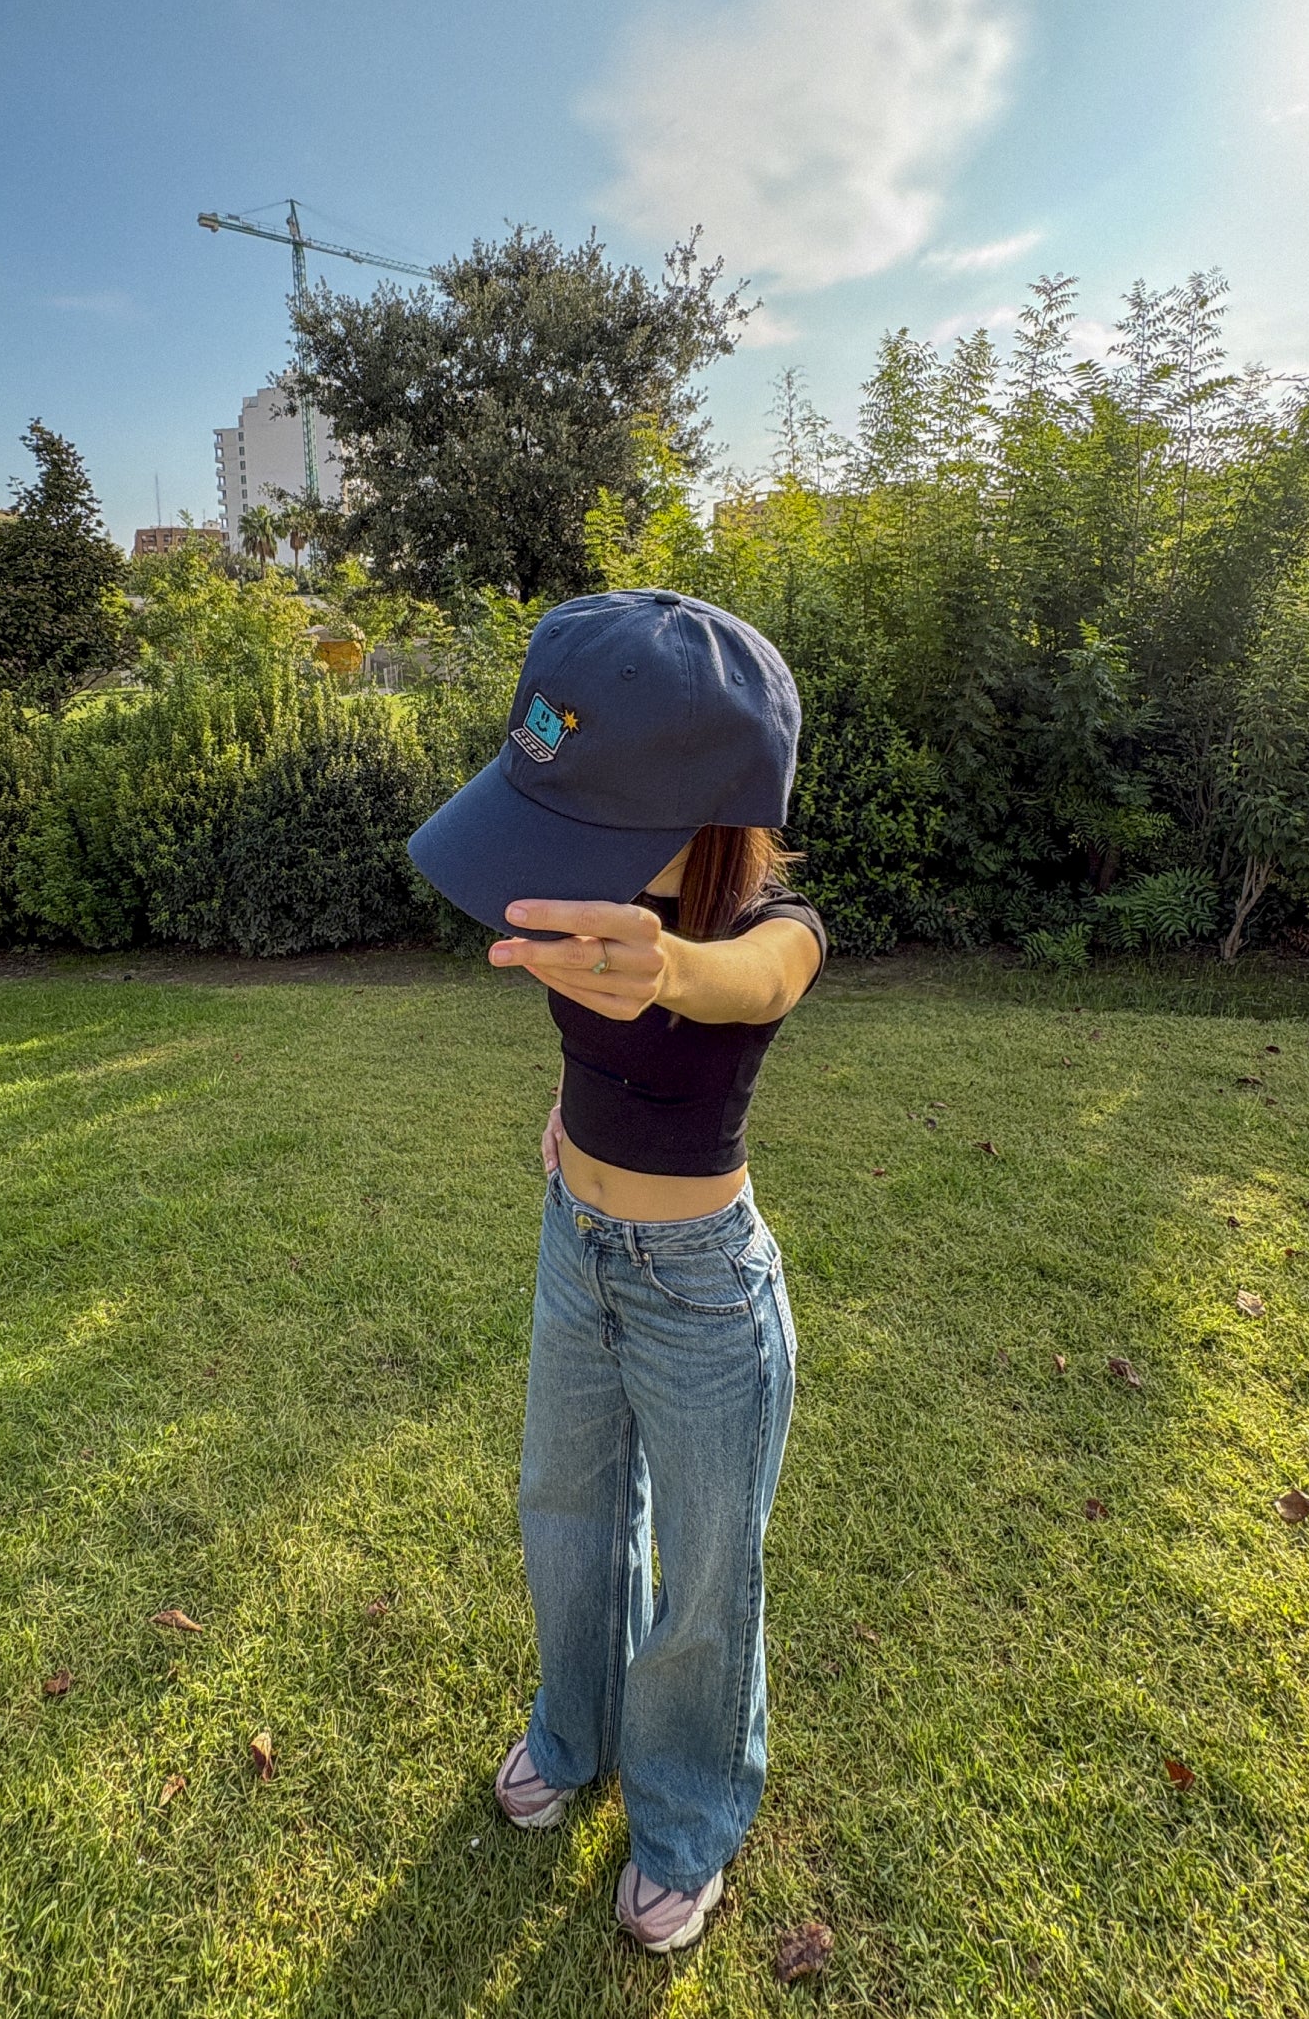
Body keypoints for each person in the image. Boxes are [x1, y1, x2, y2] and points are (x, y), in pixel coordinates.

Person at [407, 588, 826, 1955]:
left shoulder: (766, 922)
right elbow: (600, 1028)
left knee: (707, 1578)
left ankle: (687, 1820)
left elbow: (759, 978)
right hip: (571, 1248)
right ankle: (573, 1731)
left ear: (686, 806)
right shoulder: (580, 874)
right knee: (566, 1514)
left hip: (703, 1289)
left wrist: (674, 974)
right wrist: (573, 1106)